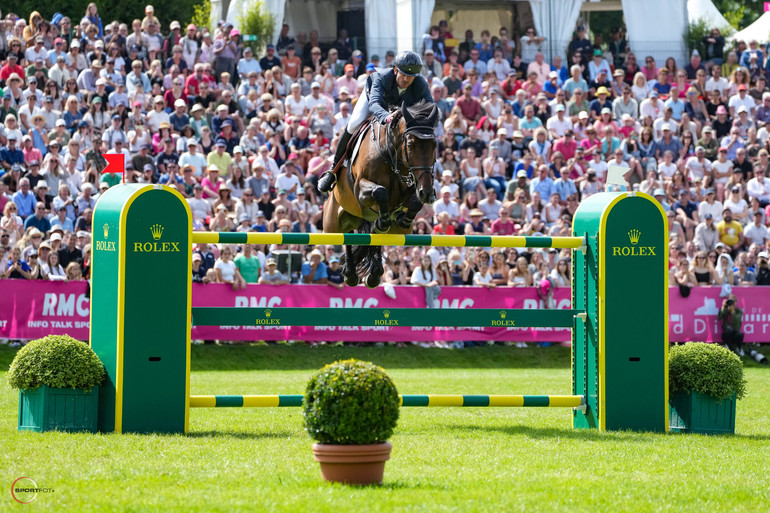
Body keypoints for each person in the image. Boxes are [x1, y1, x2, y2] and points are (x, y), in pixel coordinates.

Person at [317, 51, 433, 192]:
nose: (406, 80)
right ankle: (333, 170)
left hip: (400, 108)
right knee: (354, 123)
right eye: (403, 75)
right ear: (395, 70)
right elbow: (375, 104)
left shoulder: (420, 83)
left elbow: (429, 107)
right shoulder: (381, 77)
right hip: (374, 100)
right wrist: (386, 117)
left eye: (411, 77)